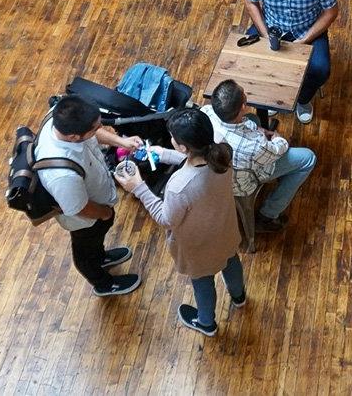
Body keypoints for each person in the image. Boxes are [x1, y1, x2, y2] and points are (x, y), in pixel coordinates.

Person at [115, 108, 244, 338]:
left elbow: (166, 219)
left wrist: (139, 188)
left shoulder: (179, 186)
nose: (171, 140)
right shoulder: (222, 151)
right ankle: (239, 296)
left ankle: (206, 323)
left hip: (199, 245)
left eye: (173, 138)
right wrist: (164, 153)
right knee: (230, 260)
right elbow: (198, 162)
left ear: (183, 147)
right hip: (225, 228)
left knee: (203, 281)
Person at [35, 95, 143, 297]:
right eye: (94, 128)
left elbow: (93, 133)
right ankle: (102, 283)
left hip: (98, 201)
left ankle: (101, 257)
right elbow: (79, 208)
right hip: (85, 219)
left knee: (96, 241)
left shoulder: (62, 118)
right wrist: (104, 214)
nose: (99, 129)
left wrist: (122, 141)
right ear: (74, 137)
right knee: (85, 250)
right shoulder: (61, 174)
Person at [244, 0, 338, 123]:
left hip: (307, 29)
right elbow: (250, 1)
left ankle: (303, 99)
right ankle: (270, 96)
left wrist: (304, 40)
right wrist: (264, 34)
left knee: (320, 69)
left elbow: (331, 11)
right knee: (250, 61)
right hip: (271, 26)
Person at [207, 79, 317, 232]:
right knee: (308, 158)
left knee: (252, 119)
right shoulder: (255, 146)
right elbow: (279, 148)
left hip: (217, 175)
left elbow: (247, 123)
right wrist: (278, 137)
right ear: (243, 106)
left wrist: (257, 129)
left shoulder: (206, 112)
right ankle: (268, 215)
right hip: (245, 181)